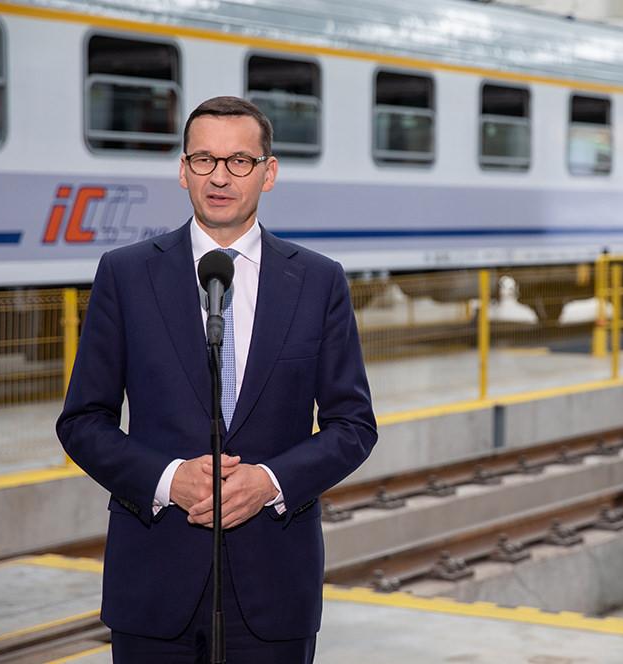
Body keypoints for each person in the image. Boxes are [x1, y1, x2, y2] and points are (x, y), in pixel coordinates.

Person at [57, 96, 377, 663]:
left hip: (275, 588)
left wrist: (270, 482)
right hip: (154, 584)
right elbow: (83, 421)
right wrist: (168, 478)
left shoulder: (319, 281)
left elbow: (352, 425)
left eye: (239, 161)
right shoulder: (126, 275)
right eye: (204, 160)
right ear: (183, 171)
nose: (220, 177)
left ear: (268, 173)